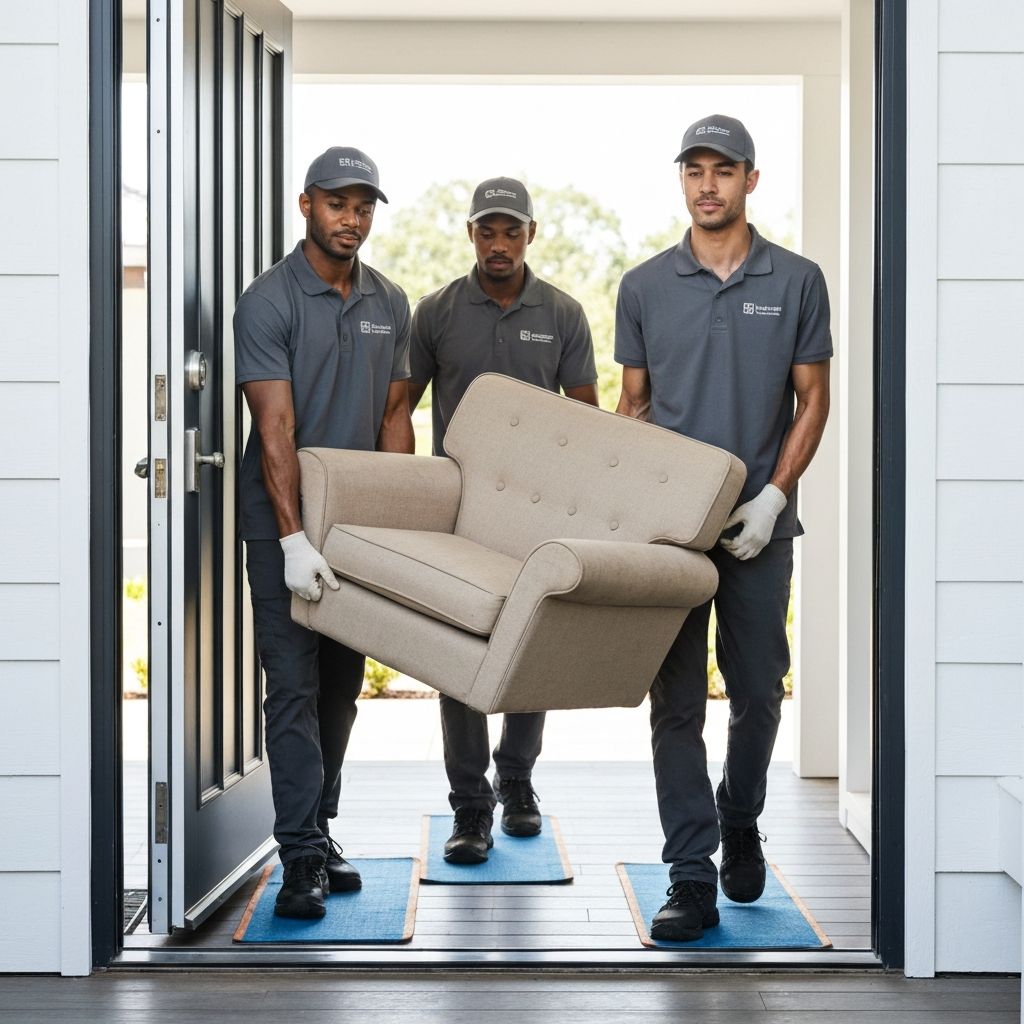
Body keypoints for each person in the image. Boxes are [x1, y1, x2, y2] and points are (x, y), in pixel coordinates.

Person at [614, 115, 832, 941]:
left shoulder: (800, 279)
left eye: (724, 170)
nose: (708, 184)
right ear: (681, 180)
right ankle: (690, 874)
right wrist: (633, 519)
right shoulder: (642, 286)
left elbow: (812, 399)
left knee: (757, 693)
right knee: (674, 705)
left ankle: (740, 817)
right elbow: (631, 410)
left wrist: (775, 496)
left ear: (751, 179)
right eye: (694, 170)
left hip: (759, 527)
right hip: (671, 532)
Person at [234, 147, 414, 919]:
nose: (353, 218)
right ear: (306, 203)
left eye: (365, 205)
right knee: (295, 688)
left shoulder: (390, 300)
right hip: (284, 529)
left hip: (359, 531)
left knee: (342, 690)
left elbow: (395, 418)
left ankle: (319, 827)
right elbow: (275, 428)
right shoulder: (269, 300)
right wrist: (292, 539)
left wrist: (396, 526)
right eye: (339, 203)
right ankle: (300, 856)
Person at [408, 176, 599, 864]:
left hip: (536, 515)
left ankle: (516, 780)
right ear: (470, 235)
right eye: (486, 231)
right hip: (457, 511)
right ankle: (470, 807)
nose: (498, 244)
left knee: (530, 644)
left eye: (510, 231)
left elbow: (585, 419)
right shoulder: (435, 312)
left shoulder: (565, 313)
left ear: (530, 235)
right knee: (458, 652)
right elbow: (401, 405)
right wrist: (407, 495)